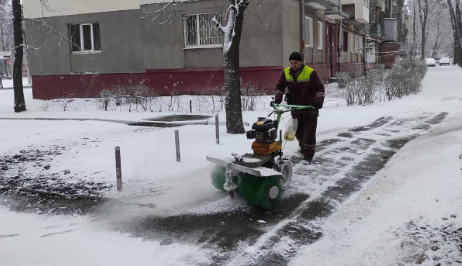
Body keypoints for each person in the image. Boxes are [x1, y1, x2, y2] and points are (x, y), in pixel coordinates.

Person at [274, 51, 325, 163]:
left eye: (295, 63)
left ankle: (308, 156)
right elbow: (280, 86)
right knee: (298, 133)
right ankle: (304, 148)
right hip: (296, 108)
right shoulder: (286, 72)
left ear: (301, 62)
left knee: (309, 133)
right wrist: (278, 98)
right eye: (291, 63)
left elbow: (319, 88)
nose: (293, 65)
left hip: (310, 108)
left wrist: (319, 101)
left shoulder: (310, 72)